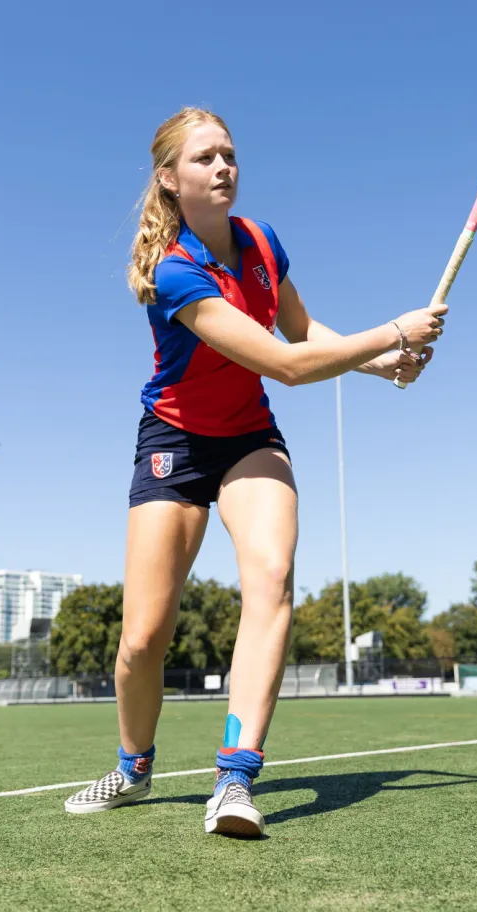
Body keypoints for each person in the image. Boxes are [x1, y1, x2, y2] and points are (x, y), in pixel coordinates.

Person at [63, 107, 447, 837]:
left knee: (270, 579)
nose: (223, 168)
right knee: (143, 639)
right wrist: (393, 330)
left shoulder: (264, 242)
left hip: (248, 436)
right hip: (173, 441)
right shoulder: (173, 272)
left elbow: (304, 333)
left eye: (230, 155)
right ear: (170, 180)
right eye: (205, 158)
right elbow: (286, 364)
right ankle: (134, 765)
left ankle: (235, 778)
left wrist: (381, 363)